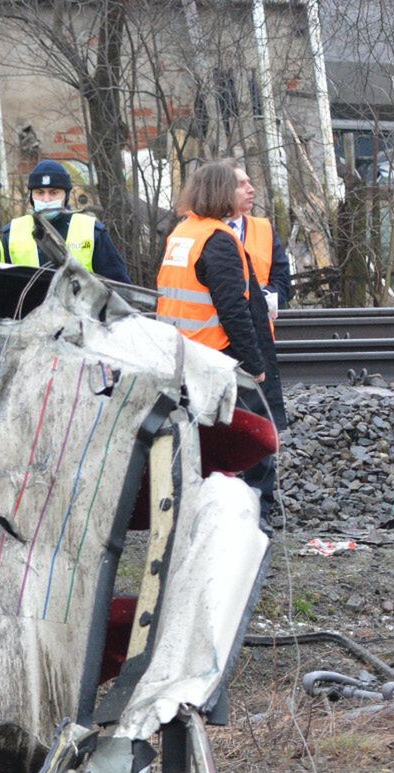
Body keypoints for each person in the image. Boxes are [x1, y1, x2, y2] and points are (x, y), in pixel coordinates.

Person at [157, 159, 282, 520]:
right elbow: (233, 310)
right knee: (252, 435)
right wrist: (255, 365)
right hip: (218, 357)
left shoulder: (183, 233)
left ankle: (194, 510)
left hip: (185, 353)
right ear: (220, 192)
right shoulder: (217, 240)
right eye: (235, 185)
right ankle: (254, 514)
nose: (243, 190)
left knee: (196, 440)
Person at [226, 165, 289, 514]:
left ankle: (261, 502)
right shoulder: (206, 232)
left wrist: (270, 297)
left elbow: (282, 279)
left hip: (258, 342)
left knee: (259, 422)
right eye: (241, 184)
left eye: (251, 181)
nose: (251, 189)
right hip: (220, 345)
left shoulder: (264, 230)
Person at [3, 159, 131, 284]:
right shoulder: (12, 233)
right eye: (40, 192)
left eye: (54, 192)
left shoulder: (91, 230)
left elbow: (118, 287)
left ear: (66, 195)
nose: (46, 199)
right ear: (31, 196)